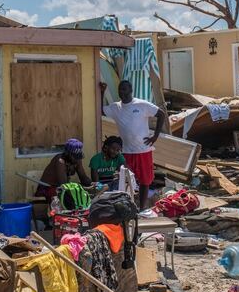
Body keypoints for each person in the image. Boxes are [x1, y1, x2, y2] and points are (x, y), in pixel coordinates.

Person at [100, 80, 165, 209]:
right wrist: (102, 92)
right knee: (125, 181)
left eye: (124, 89)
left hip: (143, 150)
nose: (121, 92)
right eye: (120, 90)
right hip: (126, 152)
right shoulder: (116, 107)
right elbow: (101, 110)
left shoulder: (141, 104)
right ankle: (128, 208)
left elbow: (161, 114)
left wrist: (156, 136)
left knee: (144, 181)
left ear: (130, 90)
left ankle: (142, 208)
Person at [35, 138, 92, 203]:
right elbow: (63, 184)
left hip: (62, 188)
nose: (76, 159)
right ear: (68, 154)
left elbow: (83, 178)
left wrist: (93, 184)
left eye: (78, 156)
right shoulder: (60, 160)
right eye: (74, 156)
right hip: (48, 188)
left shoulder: (77, 158)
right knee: (70, 198)